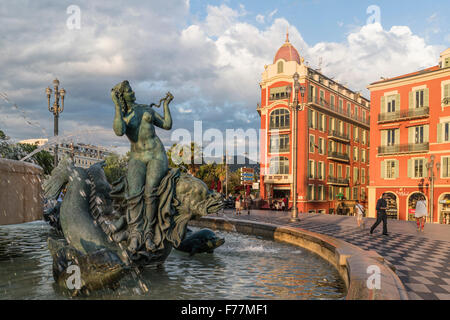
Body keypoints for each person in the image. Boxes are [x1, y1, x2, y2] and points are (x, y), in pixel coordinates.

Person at [112, 80, 173, 253]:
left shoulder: (146, 109)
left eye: (132, 90)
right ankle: (135, 235)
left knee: (150, 191)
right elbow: (118, 130)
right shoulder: (123, 116)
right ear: (122, 97)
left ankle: (148, 235)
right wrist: (116, 106)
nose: (133, 93)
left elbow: (167, 125)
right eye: (129, 91)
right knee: (133, 194)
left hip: (156, 155)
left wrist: (166, 106)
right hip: (137, 157)